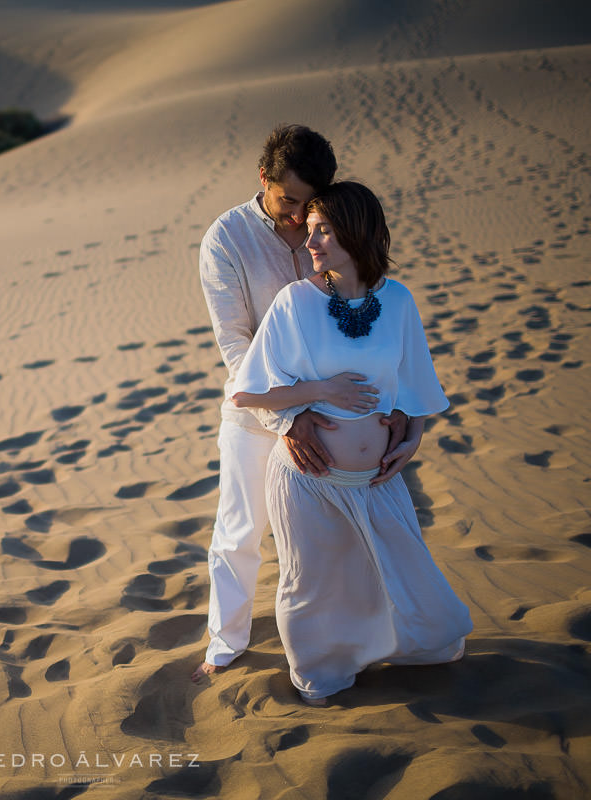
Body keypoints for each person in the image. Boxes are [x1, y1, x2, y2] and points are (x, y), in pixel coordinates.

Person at [230, 181, 473, 706]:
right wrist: (320, 391)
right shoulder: (295, 301)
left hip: (379, 478)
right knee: (313, 586)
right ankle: (321, 680)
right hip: (308, 480)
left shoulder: (399, 300)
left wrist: (413, 437)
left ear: (358, 234)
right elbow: (247, 393)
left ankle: (384, 651)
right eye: (309, 229)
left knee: (410, 588)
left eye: (323, 230)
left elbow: (414, 387)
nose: (310, 242)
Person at [193, 125, 405, 683]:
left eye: (307, 204)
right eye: (288, 201)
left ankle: (344, 643)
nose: (297, 218)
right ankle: (225, 644)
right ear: (262, 179)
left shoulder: (325, 224)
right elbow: (235, 342)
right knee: (240, 531)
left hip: (338, 414)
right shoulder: (226, 239)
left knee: (325, 541)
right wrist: (287, 415)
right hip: (256, 414)